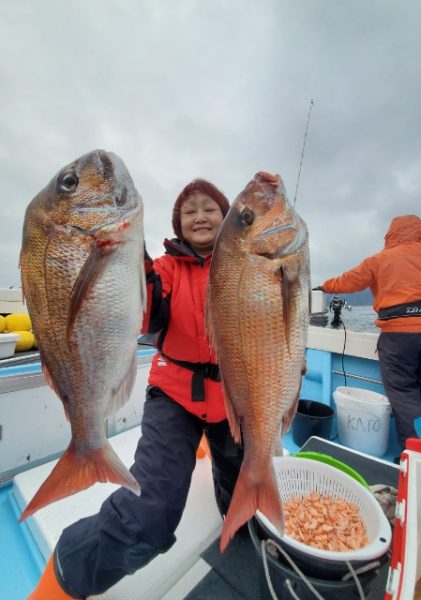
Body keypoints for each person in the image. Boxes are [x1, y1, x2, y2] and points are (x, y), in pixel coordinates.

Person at [29, 179, 244, 599]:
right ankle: (65, 575)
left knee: (246, 500)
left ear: (227, 218)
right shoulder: (163, 268)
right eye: (189, 211)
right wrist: (134, 257)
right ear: (177, 224)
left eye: (210, 208)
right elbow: (148, 315)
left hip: (233, 402)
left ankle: (229, 505)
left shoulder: (243, 268)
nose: (200, 216)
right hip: (175, 398)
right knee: (150, 513)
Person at [315, 215, 421, 451]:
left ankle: (417, 453)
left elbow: (349, 281)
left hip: (399, 336)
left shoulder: (380, 260)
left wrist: (325, 286)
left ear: (391, 235)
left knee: (404, 393)